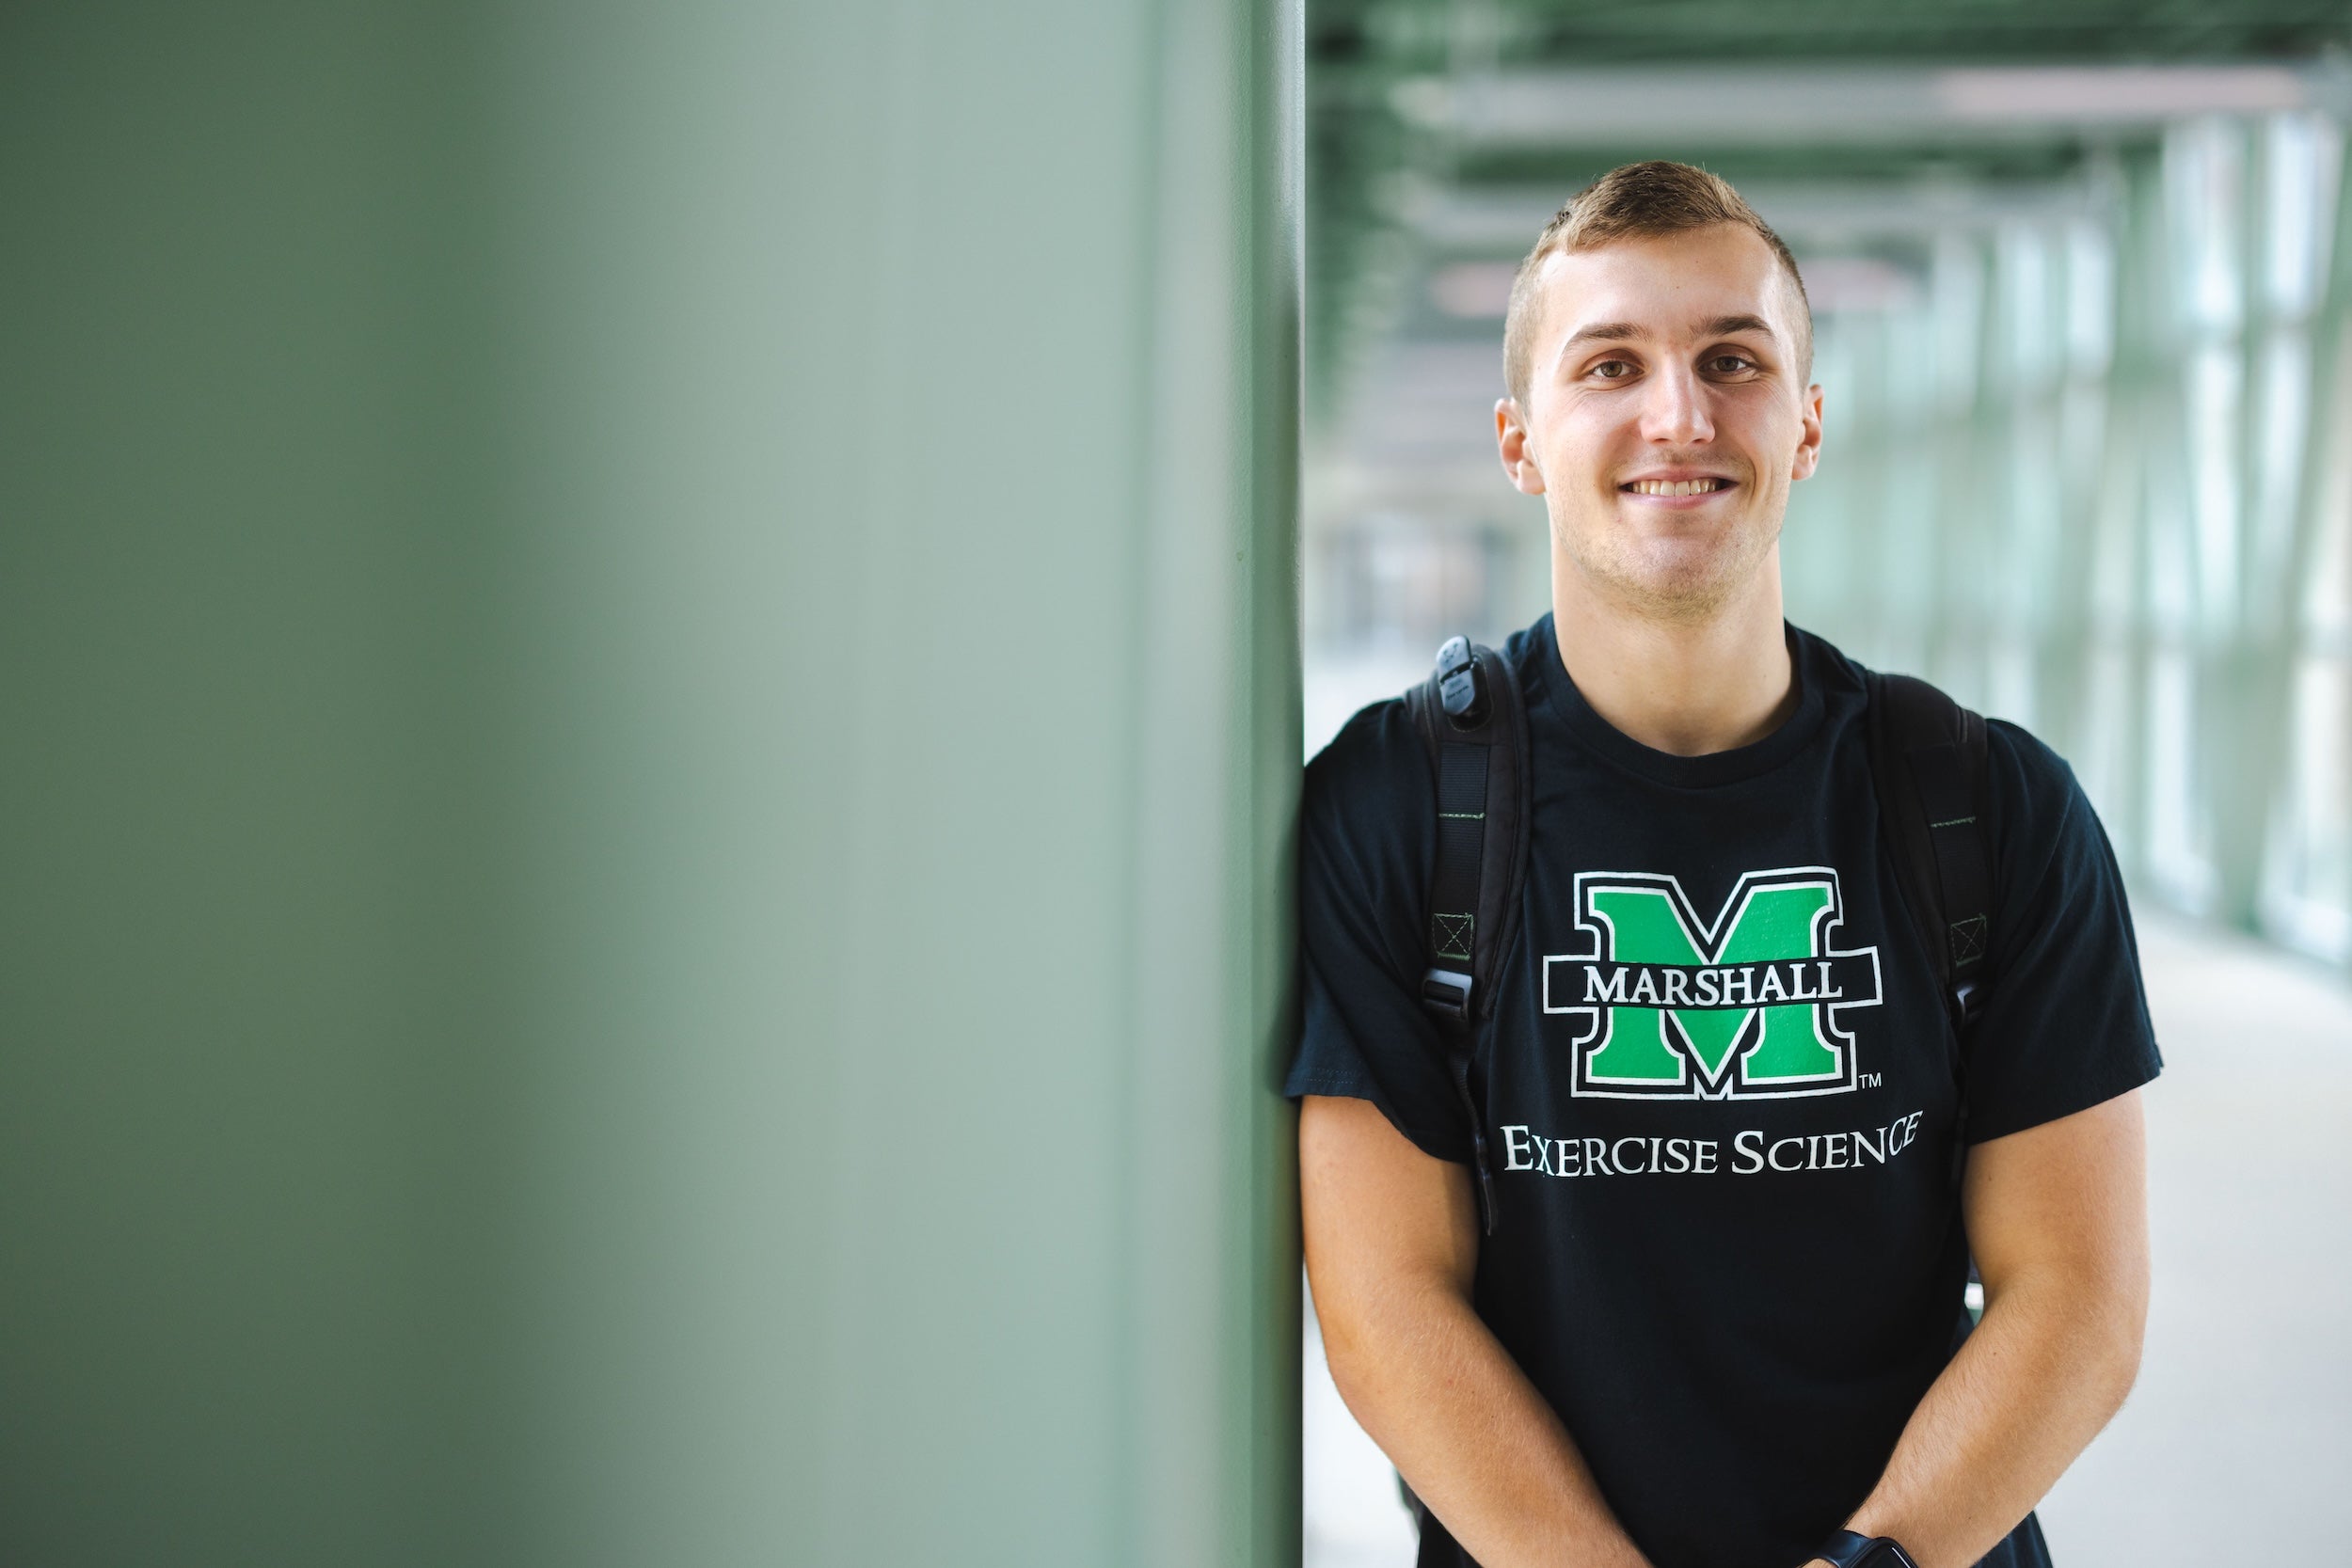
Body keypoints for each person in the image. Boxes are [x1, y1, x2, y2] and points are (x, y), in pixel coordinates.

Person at [1289, 161, 2159, 1568]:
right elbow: (1391, 1302)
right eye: (1611, 364)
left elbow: (2080, 1300)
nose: (1679, 415)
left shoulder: (1992, 808)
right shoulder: (1397, 810)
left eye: (1734, 360)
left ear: (1807, 424)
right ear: (1521, 439)